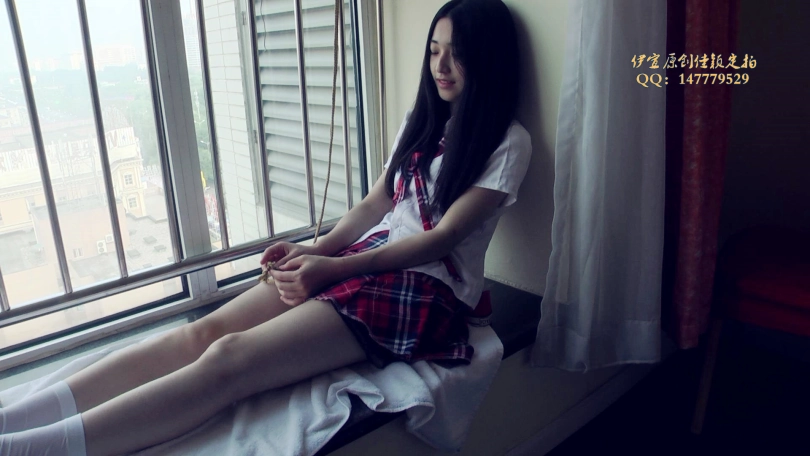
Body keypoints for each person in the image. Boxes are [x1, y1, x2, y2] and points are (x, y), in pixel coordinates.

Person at [0, 0, 531, 454]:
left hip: (426, 292)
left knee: (229, 359)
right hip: (372, 256)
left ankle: (34, 449)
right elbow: (378, 202)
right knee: (200, 333)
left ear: (488, 59)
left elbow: (443, 239)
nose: (441, 66)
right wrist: (316, 250)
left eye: (457, 53)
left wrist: (332, 269)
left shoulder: (509, 142)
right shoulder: (425, 119)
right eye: (434, 51)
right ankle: (15, 422)